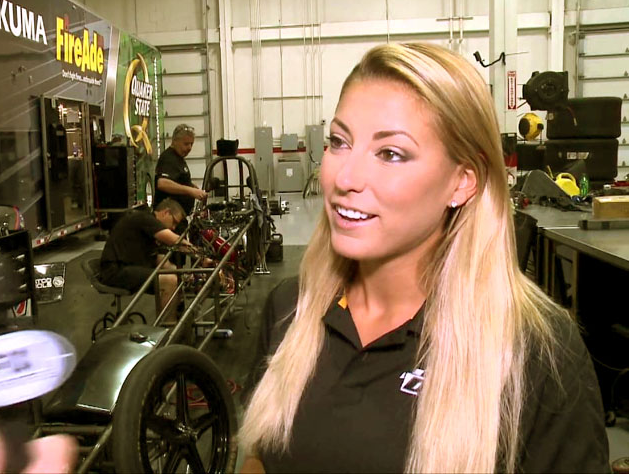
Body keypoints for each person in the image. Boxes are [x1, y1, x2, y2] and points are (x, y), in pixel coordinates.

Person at [239, 43, 609, 473]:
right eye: (339, 142)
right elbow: (260, 457)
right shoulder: (291, 309)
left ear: (463, 181)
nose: (345, 177)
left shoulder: (536, 353)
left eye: (390, 153)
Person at [99, 198, 191, 312]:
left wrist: (183, 274)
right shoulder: (145, 218)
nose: (174, 227)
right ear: (166, 212)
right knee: (169, 281)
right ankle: (169, 323)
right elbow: (176, 241)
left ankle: (173, 318)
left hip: (127, 268)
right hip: (115, 271)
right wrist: (201, 255)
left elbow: (162, 262)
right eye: (174, 222)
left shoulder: (152, 230)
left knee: (175, 278)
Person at [154, 123, 208, 217]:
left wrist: (192, 186)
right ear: (175, 141)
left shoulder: (179, 158)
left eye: (191, 144)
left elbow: (176, 179)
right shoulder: (168, 158)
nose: (189, 148)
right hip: (169, 217)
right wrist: (190, 190)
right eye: (186, 144)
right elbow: (162, 183)